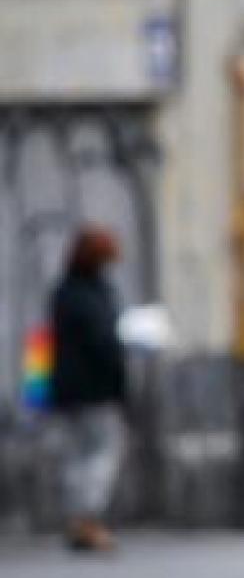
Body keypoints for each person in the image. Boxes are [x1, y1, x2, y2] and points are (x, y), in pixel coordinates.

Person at [50, 225, 129, 553]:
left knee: (77, 457)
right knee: (102, 455)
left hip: (68, 390)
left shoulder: (64, 292)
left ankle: (77, 521)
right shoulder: (92, 295)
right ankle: (88, 521)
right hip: (96, 390)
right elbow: (103, 344)